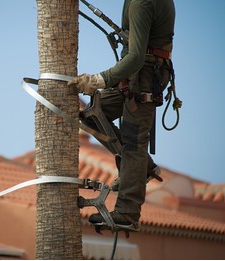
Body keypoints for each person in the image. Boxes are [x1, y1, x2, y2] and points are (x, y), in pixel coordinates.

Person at [68, 0, 175, 229]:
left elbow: (136, 57)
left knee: (133, 141)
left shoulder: (142, 2)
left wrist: (99, 80)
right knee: (92, 115)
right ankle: (141, 168)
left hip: (146, 77)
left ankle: (127, 213)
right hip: (135, 76)